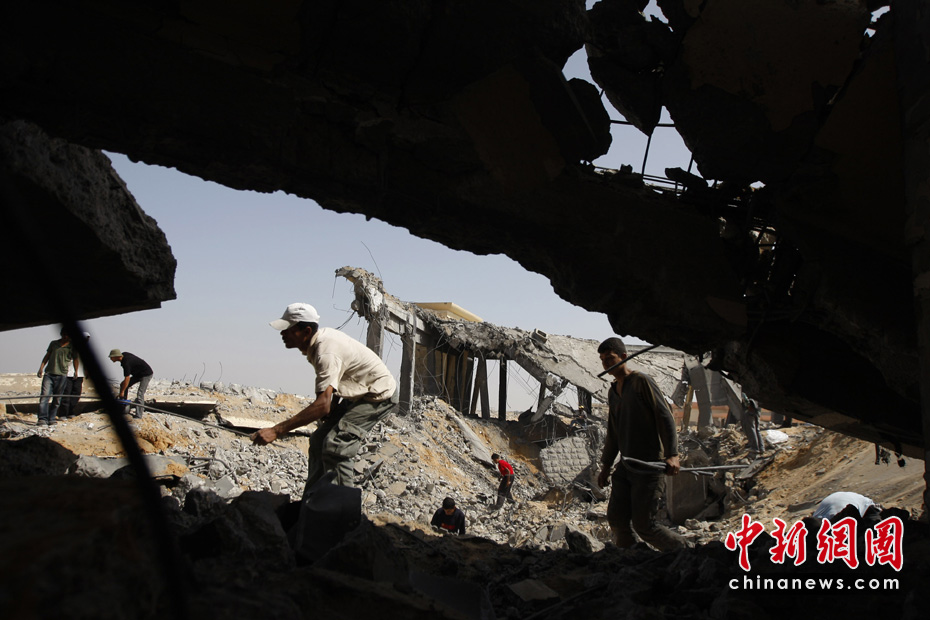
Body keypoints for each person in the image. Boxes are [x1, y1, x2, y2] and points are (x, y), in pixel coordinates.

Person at [251, 303, 398, 493]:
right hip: (360, 392)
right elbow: (335, 384)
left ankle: (344, 507)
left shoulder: (326, 352)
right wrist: (333, 405)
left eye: (288, 329)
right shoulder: (318, 344)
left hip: (378, 394)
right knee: (319, 440)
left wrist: (276, 430)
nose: (283, 334)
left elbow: (322, 406)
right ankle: (313, 500)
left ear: (306, 331)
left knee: (336, 445)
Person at [596, 337, 688, 551]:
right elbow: (613, 432)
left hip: (649, 466)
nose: (606, 364)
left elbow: (665, 417)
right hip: (627, 466)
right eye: (602, 360)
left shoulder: (641, 382)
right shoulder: (613, 391)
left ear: (623, 357)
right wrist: (606, 465)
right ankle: (632, 557)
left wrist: (672, 454)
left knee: (645, 525)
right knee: (617, 519)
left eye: (610, 358)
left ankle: (687, 552)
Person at [36, 328, 74, 428]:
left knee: (57, 399)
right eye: (64, 334)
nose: (65, 337)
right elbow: (47, 356)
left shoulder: (72, 347)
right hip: (49, 374)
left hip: (62, 375)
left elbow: (76, 359)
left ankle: (52, 418)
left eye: (67, 335)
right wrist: (41, 368)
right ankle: (42, 418)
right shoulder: (54, 344)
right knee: (44, 397)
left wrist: (76, 372)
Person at [108, 349, 153, 418]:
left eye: (111, 357)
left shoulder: (126, 363)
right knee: (122, 385)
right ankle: (123, 405)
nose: (110, 359)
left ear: (116, 356)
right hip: (138, 374)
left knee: (140, 394)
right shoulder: (124, 356)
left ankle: (138, 415)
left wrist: (122, 392)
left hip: (146, 374)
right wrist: (122, 392)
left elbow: (127, 378)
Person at [59, 332, 90, 420]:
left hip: (79, 375)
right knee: (66, 394)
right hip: (68, 373)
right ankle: (62, 414)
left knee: (76, 394)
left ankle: (70, 411)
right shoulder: (70, 346)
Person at [740, 393, 765, 458]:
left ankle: (755, 448)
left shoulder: (749, 390)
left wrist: (747, 405)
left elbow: (747, 401)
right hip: (757, 408)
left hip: (751, 409)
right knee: (757, 429)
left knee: (751, 429)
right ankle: (761, 448)